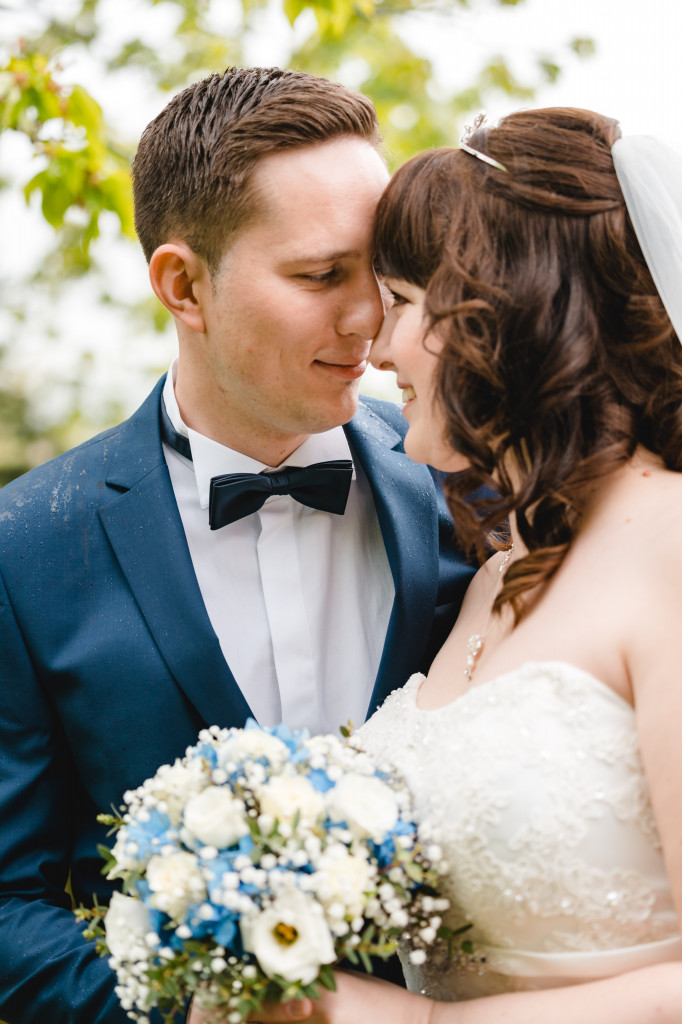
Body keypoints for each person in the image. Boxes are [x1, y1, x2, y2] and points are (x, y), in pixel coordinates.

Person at [0, 67, 474, 1024]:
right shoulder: (24, 550)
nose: (371, 320)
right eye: (319, 275)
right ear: (183, 285)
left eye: (379, 276)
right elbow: (10, 904)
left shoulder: (475, 489)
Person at [252, 107, 682, 1023]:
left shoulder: (672, 549)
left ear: (514, 309)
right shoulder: (493, 572)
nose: (377, 348)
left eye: (403, 301)